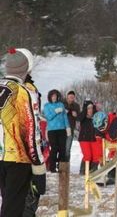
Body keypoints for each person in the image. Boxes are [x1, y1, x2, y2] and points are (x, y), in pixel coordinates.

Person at [0, 48, 45, 216]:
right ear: (27, 68)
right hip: (18, 158)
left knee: (8, 201)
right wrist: (39, 166)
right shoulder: (24, 92)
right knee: (14, 208)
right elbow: (31, 133)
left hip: (1, 156)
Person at [43, 90, 71, 172]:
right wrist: (55, 111)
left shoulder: (61, 104)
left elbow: (65, 117)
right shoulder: (46, 106)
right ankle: (52, 168)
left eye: (55, 96)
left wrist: (68, 127)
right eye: (52, 96)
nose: (54, 97)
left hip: (62, 130)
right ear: (50, 97)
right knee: (54, 148)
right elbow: (48, 117)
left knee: (62, 149)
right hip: (52, 130)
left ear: (58, 96)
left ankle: (61, 167)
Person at [78, 100, 101, 175]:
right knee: (87, 156)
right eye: (88, 108)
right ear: (85, 109)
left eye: (91, 108)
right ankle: (83, 172)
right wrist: (85, 111)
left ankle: (92, 172)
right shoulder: (82, 117)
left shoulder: (96, 116)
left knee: (96, 156)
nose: (90, 110)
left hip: (93, 139)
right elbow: (78, 118)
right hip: (84, 139)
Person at [63, 91, 80, 162]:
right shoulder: (62, 104)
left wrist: (76, 116)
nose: (71, 99)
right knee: (61, 148)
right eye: (70, 97)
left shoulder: (76, 106)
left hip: (70, 129)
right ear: (67, 96)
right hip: (61, 129)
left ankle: (67, 165)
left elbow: (79, 118)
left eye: (73, 97)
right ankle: (59, 165)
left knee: (67, 149)